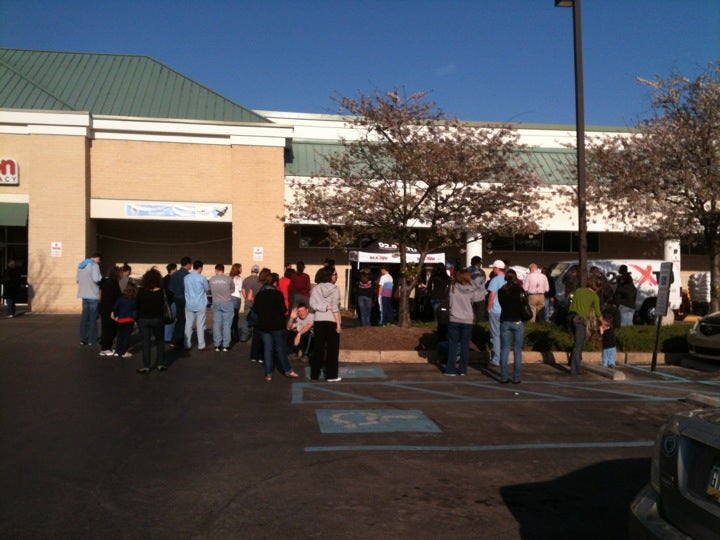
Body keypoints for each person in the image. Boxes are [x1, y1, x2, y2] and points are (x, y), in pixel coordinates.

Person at [252, 269, 299, 382]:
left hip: (263, 325)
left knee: (268, 349)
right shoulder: (278, 294)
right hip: (277, 325)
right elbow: (283, 309)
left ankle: (269, 374)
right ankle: (288, 370)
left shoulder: (260, 295)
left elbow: (256, 310)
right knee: (280, 348)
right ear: (274, 283)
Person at [309, 266, 342, 382]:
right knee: (332, 349)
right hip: (332, 320)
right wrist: (338, 324)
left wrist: (322, 307)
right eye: (335, 274)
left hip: (319, 320)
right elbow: (335, 308)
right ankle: (331, 375)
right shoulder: (335, 289)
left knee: (318, 348)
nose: (336, 276)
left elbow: (312, 304)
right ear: (329, 276)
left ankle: (314, 374)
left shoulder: (316, 288)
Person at [135, 267, 167, 373]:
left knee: (146, 343)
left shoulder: (141, 291)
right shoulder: (161, 291)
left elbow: (136, 304)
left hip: (143, 319)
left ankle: (146, 366)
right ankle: (161, 364)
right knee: (160, 341)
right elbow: (164, 305)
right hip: (158, 318)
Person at [568, 277, 603, 374]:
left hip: (570, 316)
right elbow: (598, 313)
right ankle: (575, 369)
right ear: (597, 288)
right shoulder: (594, 296)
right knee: (579, 343)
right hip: (579, 319)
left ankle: (572, 362)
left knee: (577, 341)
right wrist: (603, 322)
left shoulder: (578, 290)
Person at [444, 269, 475, 377]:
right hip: (467, 319)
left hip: (455, 318)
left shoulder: (453, 287)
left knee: (453, 344)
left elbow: (449, 301)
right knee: (465, 345)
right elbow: (473, 301)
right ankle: (463, 369)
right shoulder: (471, 288)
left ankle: (450, 369)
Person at [497, 268, 526, 384]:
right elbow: (524, 304)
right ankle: (516, 378)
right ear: (515, 278)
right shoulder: (520, 290)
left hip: (505, 320)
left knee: (505, 349)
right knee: (517, 350)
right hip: (518, 320)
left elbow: (501, 304)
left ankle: (504, 377)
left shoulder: (501, 291)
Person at [183, 260, 210, 351]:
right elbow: (207, 289)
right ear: (200, 268)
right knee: (200, 325)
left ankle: (187, 344)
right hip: (200, 304)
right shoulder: (202, 278)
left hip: (189, 304)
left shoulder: (186, 277)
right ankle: (201, 345)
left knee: (188, 325)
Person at [77, 252, 102, 346]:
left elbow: (77, 280)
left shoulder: (81, 265)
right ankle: (92, 340)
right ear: (97, 258)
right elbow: (96, 279)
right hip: (92, 294)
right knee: (93, 319)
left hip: (83, 295)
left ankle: (83, 339)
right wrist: (101, 278)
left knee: (85, 318)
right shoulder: (94, 265)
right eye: (99, 260)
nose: (99, 262)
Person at [486, 260, 507, 366]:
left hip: (496, 310)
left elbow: (492, 295)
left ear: (497, 268)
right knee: (505, 335)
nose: (493, 269)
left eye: (494, 268)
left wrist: (489, 307)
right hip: (507, 311)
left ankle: (496, 359)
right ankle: (504, 358)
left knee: (495, 335)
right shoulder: (508, 279)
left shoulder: (495, 280)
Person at [209, 263, 234, 352]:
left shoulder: (211, 279)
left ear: (216, 270)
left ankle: (217, 344)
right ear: (223, 270)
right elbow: (232, 290)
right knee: (227, 324)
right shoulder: (229, 279)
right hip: (227, 302)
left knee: (217, 323)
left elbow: (209, 290)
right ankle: (225, 345)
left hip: (216, 302)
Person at [168, 257, 192, 348]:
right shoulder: (188, 275)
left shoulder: (174, 275)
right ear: (188, 264)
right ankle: (178, 339)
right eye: (190, 264)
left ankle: (176, 339)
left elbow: (171, 288)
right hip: (185, 299)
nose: (191, 266)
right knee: (184, 320)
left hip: (176, 298)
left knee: (179, 319)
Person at [99, 265, 122, 356]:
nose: (121, 275)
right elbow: (111, 298)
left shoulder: (111, 282)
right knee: (108, 329)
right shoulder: (112, 283)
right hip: (109, 310)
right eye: (120, 273)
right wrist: (113, 311)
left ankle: (107, 346)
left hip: (107, 309)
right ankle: (105, 348)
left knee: (111, 329)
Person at [111, 281, 137, 358]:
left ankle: (117, 350)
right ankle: (124, 351)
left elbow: (115, 307)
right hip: (129, 320)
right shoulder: (134, 300)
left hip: (121, 320)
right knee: (126, 337)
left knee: (120, 336)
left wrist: (116, 315)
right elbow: (136, 309)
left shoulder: (121, 298)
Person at [240, 264, 260, 342]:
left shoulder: (246, 279)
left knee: (246, 320)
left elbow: (243, 290)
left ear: (251, 270)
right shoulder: (260, 281)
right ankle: (256, 338)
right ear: (258, 271)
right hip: (257, 303)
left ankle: (244, 337)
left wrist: (246, 298)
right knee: (257, 320)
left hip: (248, 302)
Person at [467, 256, 487, 323]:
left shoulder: (466, 271)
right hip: (480, 296)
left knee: (470, 316)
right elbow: (481, 282)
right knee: (480, 316)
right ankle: (479, 328)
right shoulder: (481, 272)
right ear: (478, 263)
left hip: (469, 296)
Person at [162, 263, 177, 343]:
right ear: (172, 270)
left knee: (166, 319)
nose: (176, 270)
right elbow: (171, 292)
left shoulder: (163, 279)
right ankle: (168, 337)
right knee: (171, 320)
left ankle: (165, 336)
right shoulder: (172, 279)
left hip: (164, 302)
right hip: (171, 302)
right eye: (175, 269)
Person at [229, 263, 243, 342]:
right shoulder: (239, 279)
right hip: (236, 298)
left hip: (229, 297)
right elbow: (240, 289)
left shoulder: (229, 277)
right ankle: (236, 335)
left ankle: (230, 333)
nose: (241, 269)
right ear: (237, 269)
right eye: (240, 268)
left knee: (230, 316)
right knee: (235, 316)